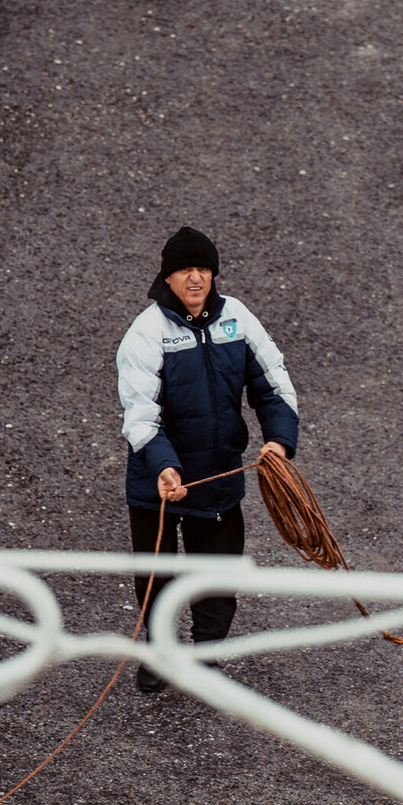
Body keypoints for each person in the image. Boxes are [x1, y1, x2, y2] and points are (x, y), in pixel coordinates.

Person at [116, 226, 299, 694]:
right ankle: (159, 653)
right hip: (159, 481)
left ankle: (205, 656)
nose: (195, 278)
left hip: (219, 475)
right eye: (184, 270)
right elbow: (140, 416)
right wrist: (164, 465)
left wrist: (279, 441)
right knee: (156, 577)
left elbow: (273, 385)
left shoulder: (237, 318)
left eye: (202, 268)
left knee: (217, 573)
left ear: (213, 274)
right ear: (167, 277)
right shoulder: (146, 333)